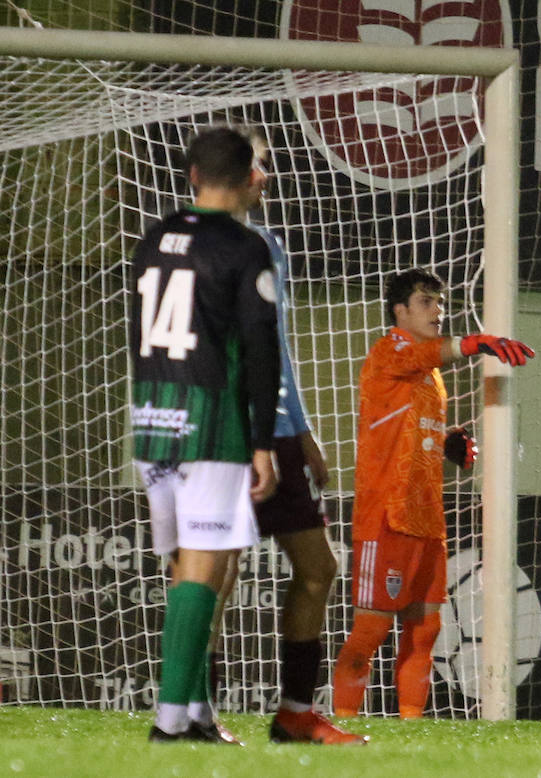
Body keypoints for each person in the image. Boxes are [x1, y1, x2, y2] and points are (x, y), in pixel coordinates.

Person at [130, 126, 281, 743]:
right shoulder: (245, 249)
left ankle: (194, 713)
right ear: (247, 178)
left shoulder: (151, 239)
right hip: (211, 423)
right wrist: (263, 440)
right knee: (203, 571)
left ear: (192, 175)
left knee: (185, 569)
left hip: (151, 420)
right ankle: (168, 722)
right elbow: (261, 346)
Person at [331, 268, 533, 719]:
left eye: (439, 303)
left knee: (425, 633)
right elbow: (430, 355)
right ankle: (340, 730)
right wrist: (477, 343)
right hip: (386, 517)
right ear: (399, 310)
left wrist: (446, 442)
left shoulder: (430, 374)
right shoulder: (389, 353)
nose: (437, 311)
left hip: (427, 520)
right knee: (370, 632)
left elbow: (404, 426)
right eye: (426, 301)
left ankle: (409, 734)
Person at [239, 158, 366, 744]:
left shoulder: (270, 244)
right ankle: (195, 713)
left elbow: (277, 342)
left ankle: (294, 713)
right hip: (227, 430)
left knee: (318, 569)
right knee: (216, 571)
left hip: (281, 430)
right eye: (255, 165)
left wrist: (303, 429)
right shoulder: (198, 245)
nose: (265, 175)